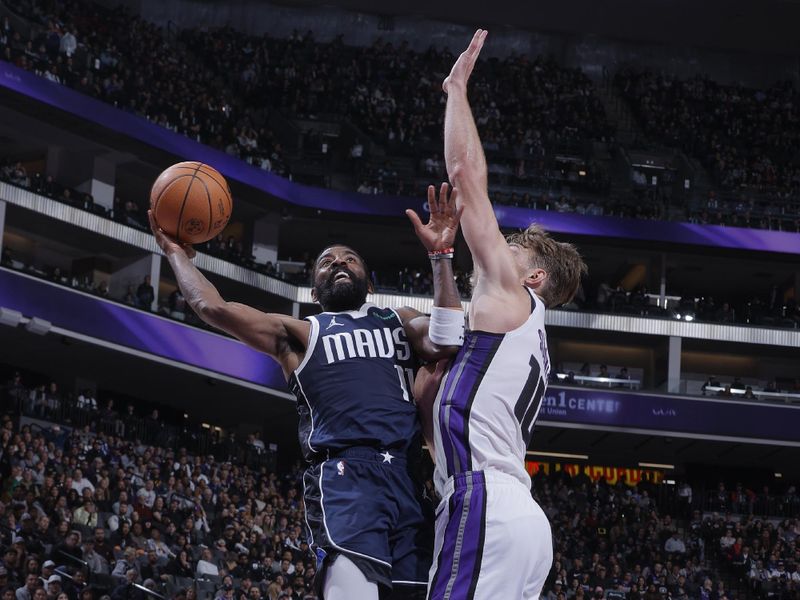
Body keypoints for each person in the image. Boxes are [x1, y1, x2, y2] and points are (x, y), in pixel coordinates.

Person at [148, 189, 464, 600]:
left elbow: (448, 341)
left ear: (369, 284)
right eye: (326, 262)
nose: (338, 263)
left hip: (408, 476)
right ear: (314, 292)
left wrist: (441, 256)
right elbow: (214, 308)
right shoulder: (300, 332)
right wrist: (176, 254)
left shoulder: (397, 320)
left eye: (349, 259)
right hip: (348, 478)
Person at [415, 30, 587, 600]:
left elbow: (466, 180)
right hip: (519, 519)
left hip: (486, 502)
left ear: (533, 277)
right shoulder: (527, 337)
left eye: (512, 249)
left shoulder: (512, 295)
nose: (497, 251)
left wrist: (455, 89)